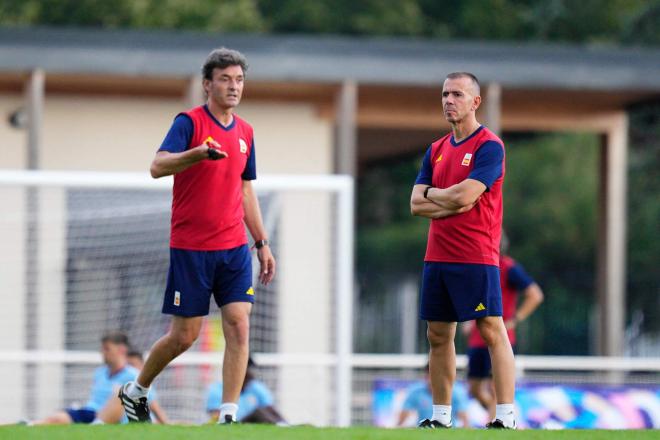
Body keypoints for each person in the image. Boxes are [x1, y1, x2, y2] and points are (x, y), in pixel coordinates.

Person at [119, 47, 276, 424]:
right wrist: (197, 154)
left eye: (239, 80)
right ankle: (136, 390)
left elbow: (245, 190)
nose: (233, 86)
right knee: (184, 336)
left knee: (239, 323)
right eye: (225, 79)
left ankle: (228, 414)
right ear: (208, 85)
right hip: (191, 248)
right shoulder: (188, 122)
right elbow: (157, 166)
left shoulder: (246, 133)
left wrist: (262, 243)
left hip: (234, 247)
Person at [410, 72, 516, 429]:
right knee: (438, 335)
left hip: (477, 255)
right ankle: (441, 417)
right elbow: (415, 204)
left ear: (475, 102)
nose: (448, 100)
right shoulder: (436, 150)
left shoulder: (489, 146)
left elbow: (467, 196)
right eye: (444, 94)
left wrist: (440, 197)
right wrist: (450, 200)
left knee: (490, 330)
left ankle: (506, 416)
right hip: (437, 256)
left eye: (457, 94)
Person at [464, 232, 544, 418]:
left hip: (500, 337)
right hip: (477, 339)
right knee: (474, 389)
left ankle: (493, 424)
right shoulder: (478, 267)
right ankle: (495, 419)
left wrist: (515, 320)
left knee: (495, 388)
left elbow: (535, 294)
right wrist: (469, 319)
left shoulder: (509, 268)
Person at [33, 332, 137, 425]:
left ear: (121, 350)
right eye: (102, 349)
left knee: (122, 393)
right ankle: (29, 424)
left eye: (107, 349)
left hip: (114, 418)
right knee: (57, 419)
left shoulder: (133, 375)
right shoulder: (100, 372)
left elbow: (148, 402)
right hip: (91, 413)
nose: (103, 353)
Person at [206, 357, 286, 424]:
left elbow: (270, 409)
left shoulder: (255, 387)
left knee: (262, 412)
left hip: (253, 424)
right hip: (233, 422)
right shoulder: (217, 389)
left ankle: (284, 425)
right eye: (249, 370)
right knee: (258, 413)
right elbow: (215, 416)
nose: (252, 374)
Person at [95, 350, 169, 424]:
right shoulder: (122, 381)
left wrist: (166, 424)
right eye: (128, 365)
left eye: (133, 365)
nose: (131, 369)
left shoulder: (141, 384)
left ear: (143, 366)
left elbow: (154, 407)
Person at [397, 364, 469, 428]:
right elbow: (403, 417)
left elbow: (464, 419)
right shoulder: (416, 391)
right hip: (424, 431)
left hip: (448, 432)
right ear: (426, 375)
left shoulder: (456, 392)